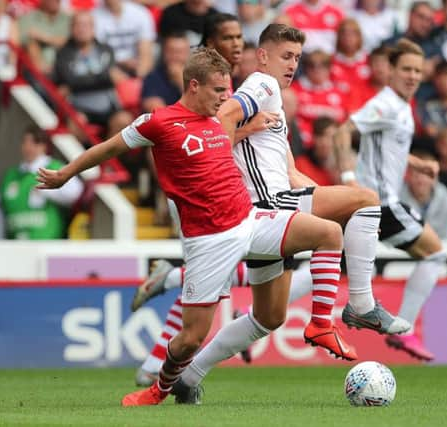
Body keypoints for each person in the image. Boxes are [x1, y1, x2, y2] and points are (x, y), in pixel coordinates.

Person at [37, 47, 351, 407]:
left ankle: (321, 324)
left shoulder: (219, 121)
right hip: (209, 242)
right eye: (219, 90)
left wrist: (250, 127)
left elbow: (216, 147)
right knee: (190, 338)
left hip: (249, 221)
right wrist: (65, 173)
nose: (226, 97)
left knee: (329, 232)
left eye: (228, 89)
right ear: (194, 85)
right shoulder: (157, 123)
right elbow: (107, 149)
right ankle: (159, 390)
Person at [167, 23, 410, 404]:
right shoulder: (261, 84)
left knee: (269, 318)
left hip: (271, 207)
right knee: (366, 199)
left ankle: (188, 378)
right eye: (286, 56)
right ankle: (360, 305)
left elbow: (292, 174)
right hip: (269, 207)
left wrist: (329, 195)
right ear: (263, 56)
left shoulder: (273, 100)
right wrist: (245, 129)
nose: (293, 64)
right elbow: (221, 121)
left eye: (297, 57)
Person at [334, 38, 446, 362]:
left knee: (328, 263)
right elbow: (342, 132)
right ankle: (406, 330)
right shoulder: (384, 104)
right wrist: (347, 178)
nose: (412, 76)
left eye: (417, 71)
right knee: (434, 254)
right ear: (391, 71)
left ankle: (254, 312)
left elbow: (388, 144)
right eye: (406, 69)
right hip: (381, 204)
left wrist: (416, 163)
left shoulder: (399, 107)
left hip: (370, 204)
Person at [0, 127, 83, 239]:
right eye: (25, 142)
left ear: (44, 146)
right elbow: (1, 212)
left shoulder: (55, 168)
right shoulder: (12, 175)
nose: (28, 147)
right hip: (16, 245)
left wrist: (47, 192)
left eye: (34, 142)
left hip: (48, 244)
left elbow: (76, 194)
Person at [400, 150, 447, 239]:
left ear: (436, 177)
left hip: (442, 251)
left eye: (427, 174)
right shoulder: (395, 199)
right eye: (416, 173)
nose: (421, 180)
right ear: (407, 175)